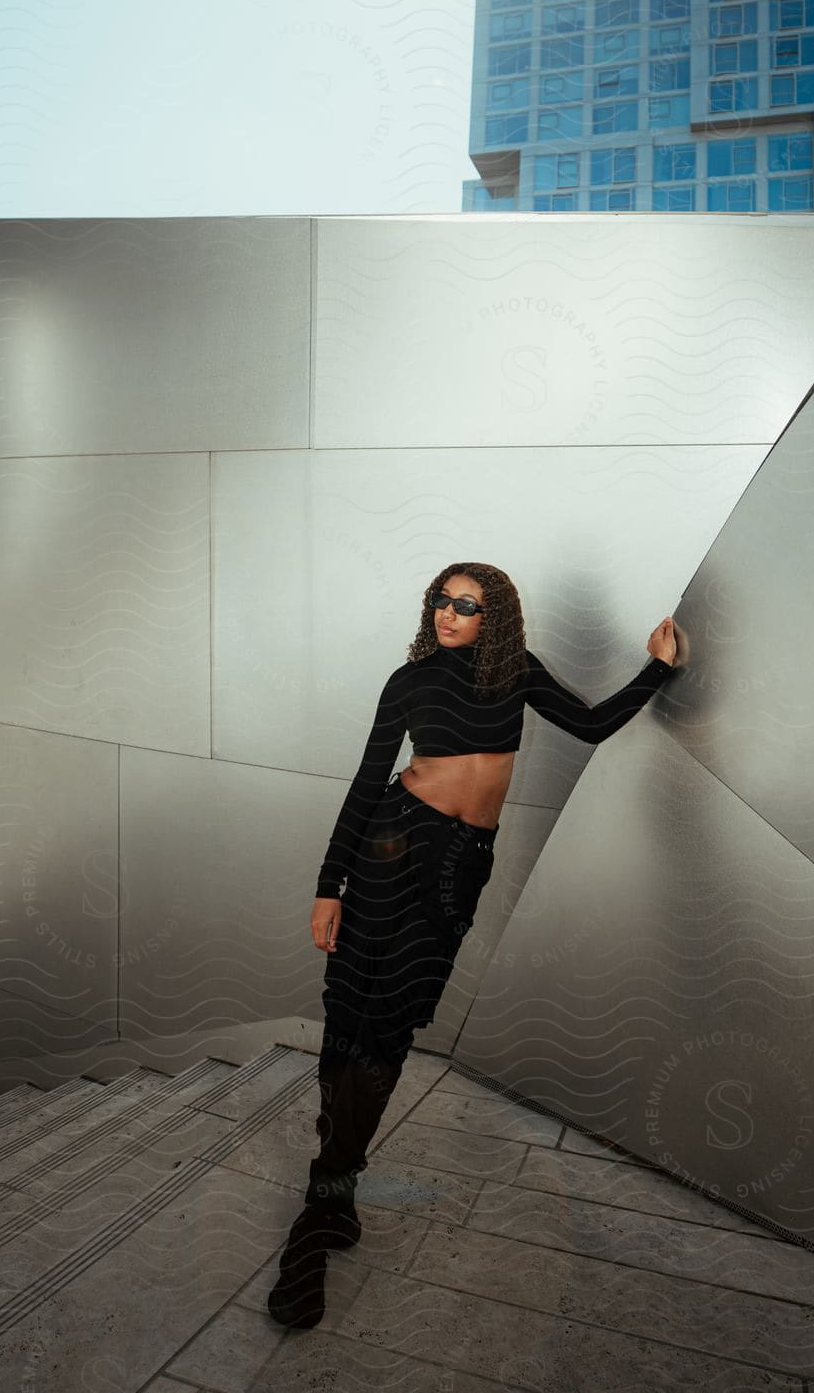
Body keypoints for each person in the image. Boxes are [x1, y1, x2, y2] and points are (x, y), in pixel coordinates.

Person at [267, 560, 680, 1328]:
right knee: (351, 1017)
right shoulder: (409, 680)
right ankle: (323, 1208)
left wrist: (654, 671)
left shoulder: (517, 672)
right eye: (440, 600)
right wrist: (330, 886)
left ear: (496, 619)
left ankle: (332, 1192)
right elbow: (367, 781)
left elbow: (590, 725)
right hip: (391, 844)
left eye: (466, 605)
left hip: (461, 866)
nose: (448, 614)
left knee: (391, 1023)